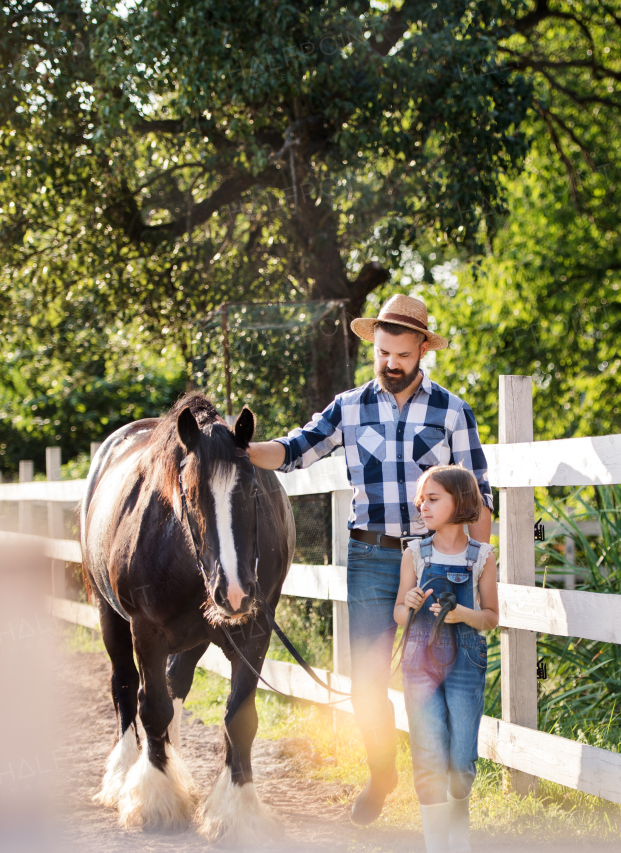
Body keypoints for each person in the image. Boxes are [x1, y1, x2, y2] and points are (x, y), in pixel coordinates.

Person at [247, 294, 493, 825]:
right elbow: (294, 449)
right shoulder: (350, 407)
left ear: (422, 350)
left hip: (436, 562)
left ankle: (452, 802)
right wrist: (240, 449)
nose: (390, 364)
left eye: (401, 355)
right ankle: (382, 774)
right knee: (366, 680)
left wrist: (475, 566)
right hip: (372, 557)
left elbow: (478, 498)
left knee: (442, 677)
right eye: (382, 352)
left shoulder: (453, 412)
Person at [395, 465, 498, 853]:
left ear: (461, 502)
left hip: (466, 662)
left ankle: (460, 838)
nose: (423, 506)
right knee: (428, 750)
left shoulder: (482, 557)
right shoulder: (414, 554)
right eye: (421, 500)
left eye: (433, 499)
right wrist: (409, 604)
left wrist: (462, 616)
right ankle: (438, 846)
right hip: (419, 661)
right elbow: (400, 616)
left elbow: (490, 617)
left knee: (460, 758)